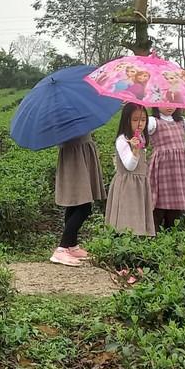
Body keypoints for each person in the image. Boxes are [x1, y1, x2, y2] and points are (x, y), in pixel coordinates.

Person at [50, 133, 105, 267]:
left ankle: (72, 246)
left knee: (75, 204)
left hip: (80, 152)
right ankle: (62, 249)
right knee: (84, 207)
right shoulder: (66, 115)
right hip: (75, 155)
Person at [104, 103, 156, 236]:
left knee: (137, 215)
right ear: (126, 120)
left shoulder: (141, 138)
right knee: (125, 217)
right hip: (126, 185)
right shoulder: (123, 140)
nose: (140, 124)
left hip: (139, 184)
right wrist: (135, 149)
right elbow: (129, 166)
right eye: (135, 120)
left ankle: (136, 246)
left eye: (143, 120)